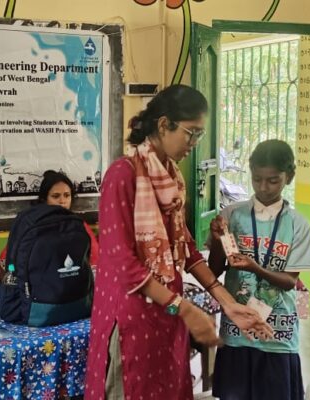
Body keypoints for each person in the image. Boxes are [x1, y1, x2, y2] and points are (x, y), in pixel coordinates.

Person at [84, 84, 272, 400]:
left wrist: (228, 304)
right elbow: (124, 264)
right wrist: (184, 309)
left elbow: (185, 248)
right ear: (163, 125)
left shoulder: (170, 178)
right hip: (131, 316)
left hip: (166, 311)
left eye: (200, 135)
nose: (195, 144)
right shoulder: (123, 175)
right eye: (192, 133)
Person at [209, 139, 310, 400]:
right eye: (257, 179)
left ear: (289, 177)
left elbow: (289, 282)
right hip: (237, 329)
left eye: (273, 181)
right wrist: (218, 241)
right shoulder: (232, 214)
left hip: (277, 331)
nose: (264, 188)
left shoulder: (298, 225)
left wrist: (256, 268)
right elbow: (214, 269)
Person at [0, 170, 99, 281]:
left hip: (73, 287)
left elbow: (95, 262)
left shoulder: (79, 225)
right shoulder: (32, 225)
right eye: (56, 196)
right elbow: (5, 262)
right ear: (44, 199)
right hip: (38, 288)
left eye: (67, 195)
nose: (62, 201)